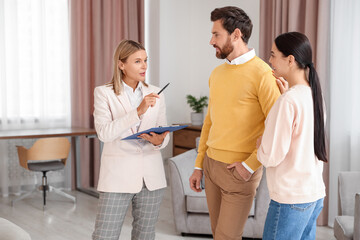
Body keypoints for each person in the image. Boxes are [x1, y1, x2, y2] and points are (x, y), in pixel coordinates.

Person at [188, 6, 280, 239]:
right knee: (216, 234)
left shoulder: (264, 74)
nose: (211, 41)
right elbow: (210, 121)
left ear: (236, 35)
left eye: (216, 34)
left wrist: (249, 165)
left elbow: (277, 127)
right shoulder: (217, 74)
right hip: (211, 166)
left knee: (226, 237)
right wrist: (199, 165)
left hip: (239, 171)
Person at [92, 39, 169, 240]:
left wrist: (158, 141)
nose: (144, 66)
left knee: (145, 235)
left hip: (151, 178)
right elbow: (104, 133)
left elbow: (163, 132)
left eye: (145, 60)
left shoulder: (156, 92)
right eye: (137, 61)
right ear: (121, 64)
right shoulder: (104, 93)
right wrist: (138, 111)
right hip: (117, 177)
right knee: (105, 235)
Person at [256, 32, 327, 240]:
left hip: (291, 199)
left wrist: (260, 144)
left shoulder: (289, 101)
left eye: (273, 54)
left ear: (290, 59)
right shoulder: (314, 95)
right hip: (313, 194)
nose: (269, 60)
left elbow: (271, 156)